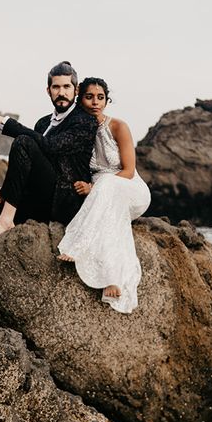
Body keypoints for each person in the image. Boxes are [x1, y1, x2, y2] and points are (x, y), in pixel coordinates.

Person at [0, 61, 98, 282]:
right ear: (48, 90)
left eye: (66, 87)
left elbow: (51, 147)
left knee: (24, 141)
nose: (61, 93)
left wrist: (7, 124)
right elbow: (30, 166)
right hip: (34, 201)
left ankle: (6, 220)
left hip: (62, 201)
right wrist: (5, 191)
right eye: (56, 87)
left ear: (76, 89)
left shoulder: (84, 121)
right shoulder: (43, 123)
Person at [57, 77, 151, 313]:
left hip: (131, 190)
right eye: (89, 97)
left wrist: (94, 187)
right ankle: (112, 279)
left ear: (107, 100)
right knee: (111, 217)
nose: (95, 102)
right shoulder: (79, 131)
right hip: (106, 194)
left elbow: (129, 171)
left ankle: (76, 244)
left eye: (101, 98)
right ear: (81, 99)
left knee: (108, 184)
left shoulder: (118, 126)